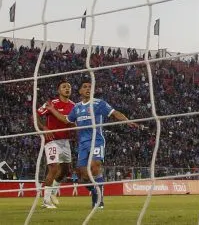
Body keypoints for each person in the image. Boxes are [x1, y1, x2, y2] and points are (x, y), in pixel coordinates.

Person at [46, 81, 140, 210]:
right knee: (82, 175)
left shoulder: (99, 103)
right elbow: (66, 120)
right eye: (85, 87)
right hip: (83, 143)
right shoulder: (77, 107)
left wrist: (127, 121)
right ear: (79, 91)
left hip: (97, 141)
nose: (88, 89)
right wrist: (52, 109)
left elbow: (114, 113)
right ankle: (96, 190)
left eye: (90, 87)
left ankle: (99, 200)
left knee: (95, 167)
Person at [36, 81, 75, 209]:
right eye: (64, 87)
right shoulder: (51, 103)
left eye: (69, 87)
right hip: (51, 140)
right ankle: (46, 201)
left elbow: (74, 122)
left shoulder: (74, 106)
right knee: (53, 167)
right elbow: (35, 115)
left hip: (65, 141)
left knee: (66, 170)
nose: (67, 88)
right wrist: (44, 128)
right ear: (59, 90)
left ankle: (52, 192)